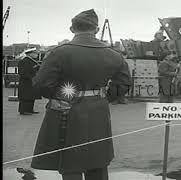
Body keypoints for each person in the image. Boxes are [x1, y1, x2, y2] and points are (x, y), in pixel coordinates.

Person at [31, 9, 131, 180]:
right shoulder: (114, 54)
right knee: (98, 157)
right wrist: (104, 97)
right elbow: (123, 83)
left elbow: (41, 84)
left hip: (66, 110)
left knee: (70, 160)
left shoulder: (59, 52)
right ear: (97, 30)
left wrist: (62, 96)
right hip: (98, 109)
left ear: (72, 29)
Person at [17, 48, 41, 115]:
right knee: (25, 97)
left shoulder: (32, 61)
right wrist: (30, 77)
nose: (36, 54)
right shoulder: (24, 61)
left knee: (31, 96)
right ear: (30, 54)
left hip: (31, 81)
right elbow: (22, 72)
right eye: (35, 53)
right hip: (26, 81)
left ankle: (30, 110)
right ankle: (23, 110)